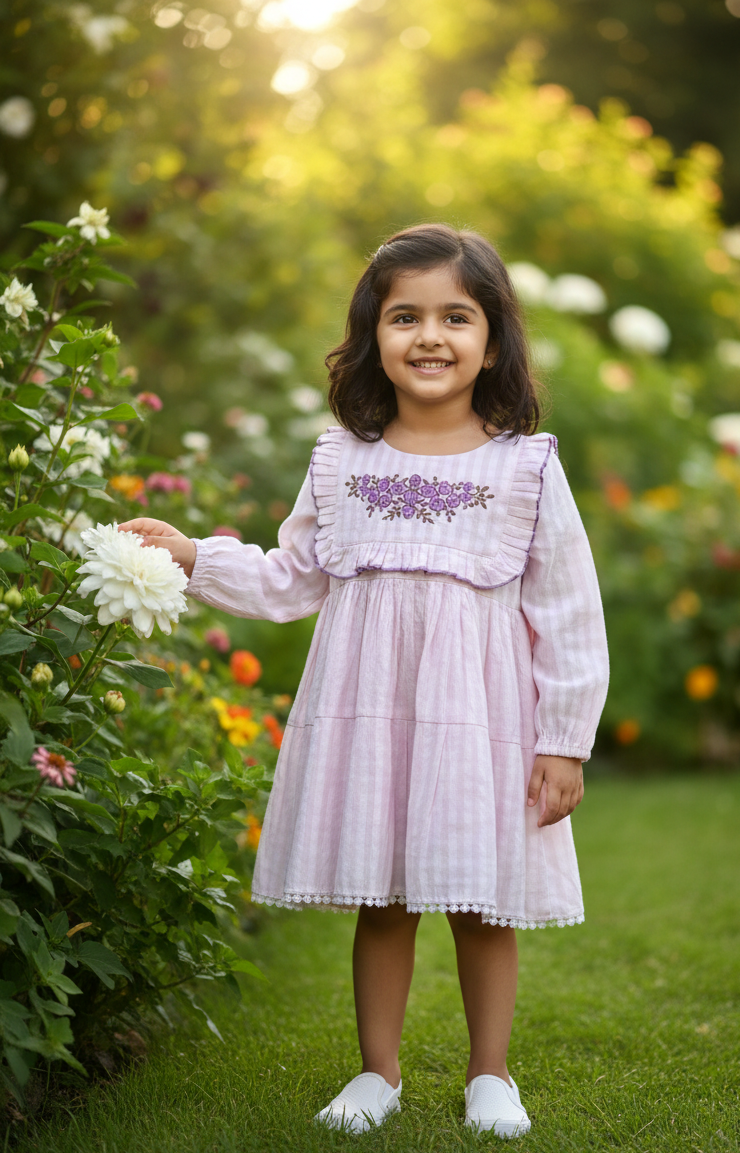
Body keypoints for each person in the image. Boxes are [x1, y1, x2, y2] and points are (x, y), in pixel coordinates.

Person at [120, 223, 609, 1138]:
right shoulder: (344, 461)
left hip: (480, 722)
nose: (430, 336)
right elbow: (291, 574)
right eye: (405, 316)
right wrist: (195, 557)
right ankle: (376, 1072)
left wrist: (563, 740)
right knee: (382, 898)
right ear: (372, 334)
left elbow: (571, 611)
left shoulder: (524, 469)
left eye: (455, 316)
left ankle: (490, 1075)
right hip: (371, 718)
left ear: (493, 339)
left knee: (477, 898)